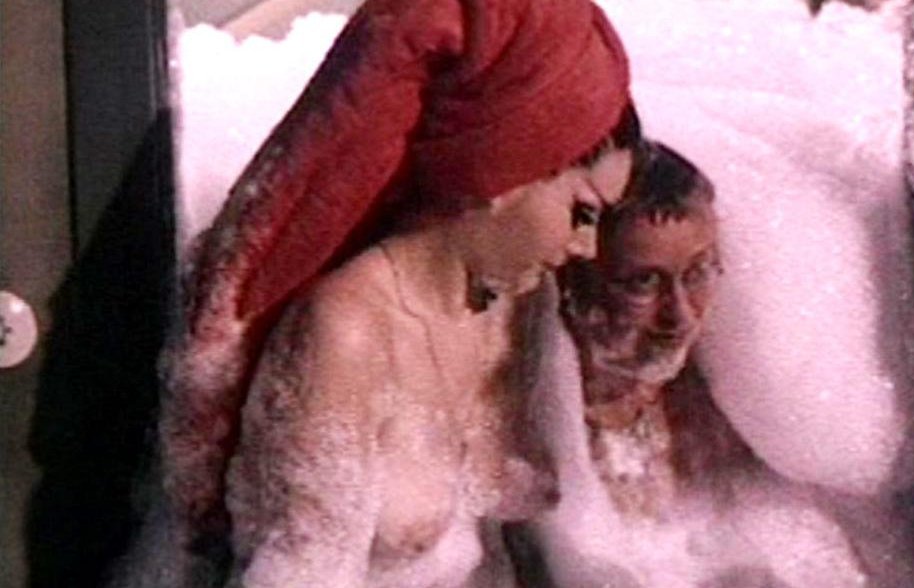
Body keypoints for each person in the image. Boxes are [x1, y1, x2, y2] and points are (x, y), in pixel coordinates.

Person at [154, 0, 640, 586]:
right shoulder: (348, 335)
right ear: (503, 175)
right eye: (582, 213)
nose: (587, 246)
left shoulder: (516, 304)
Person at [508, 140, 867, 588]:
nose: (679, 315)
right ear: (571, 278)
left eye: (697, 272)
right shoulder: (527, 437)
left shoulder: (739, 393)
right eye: (642, 282)